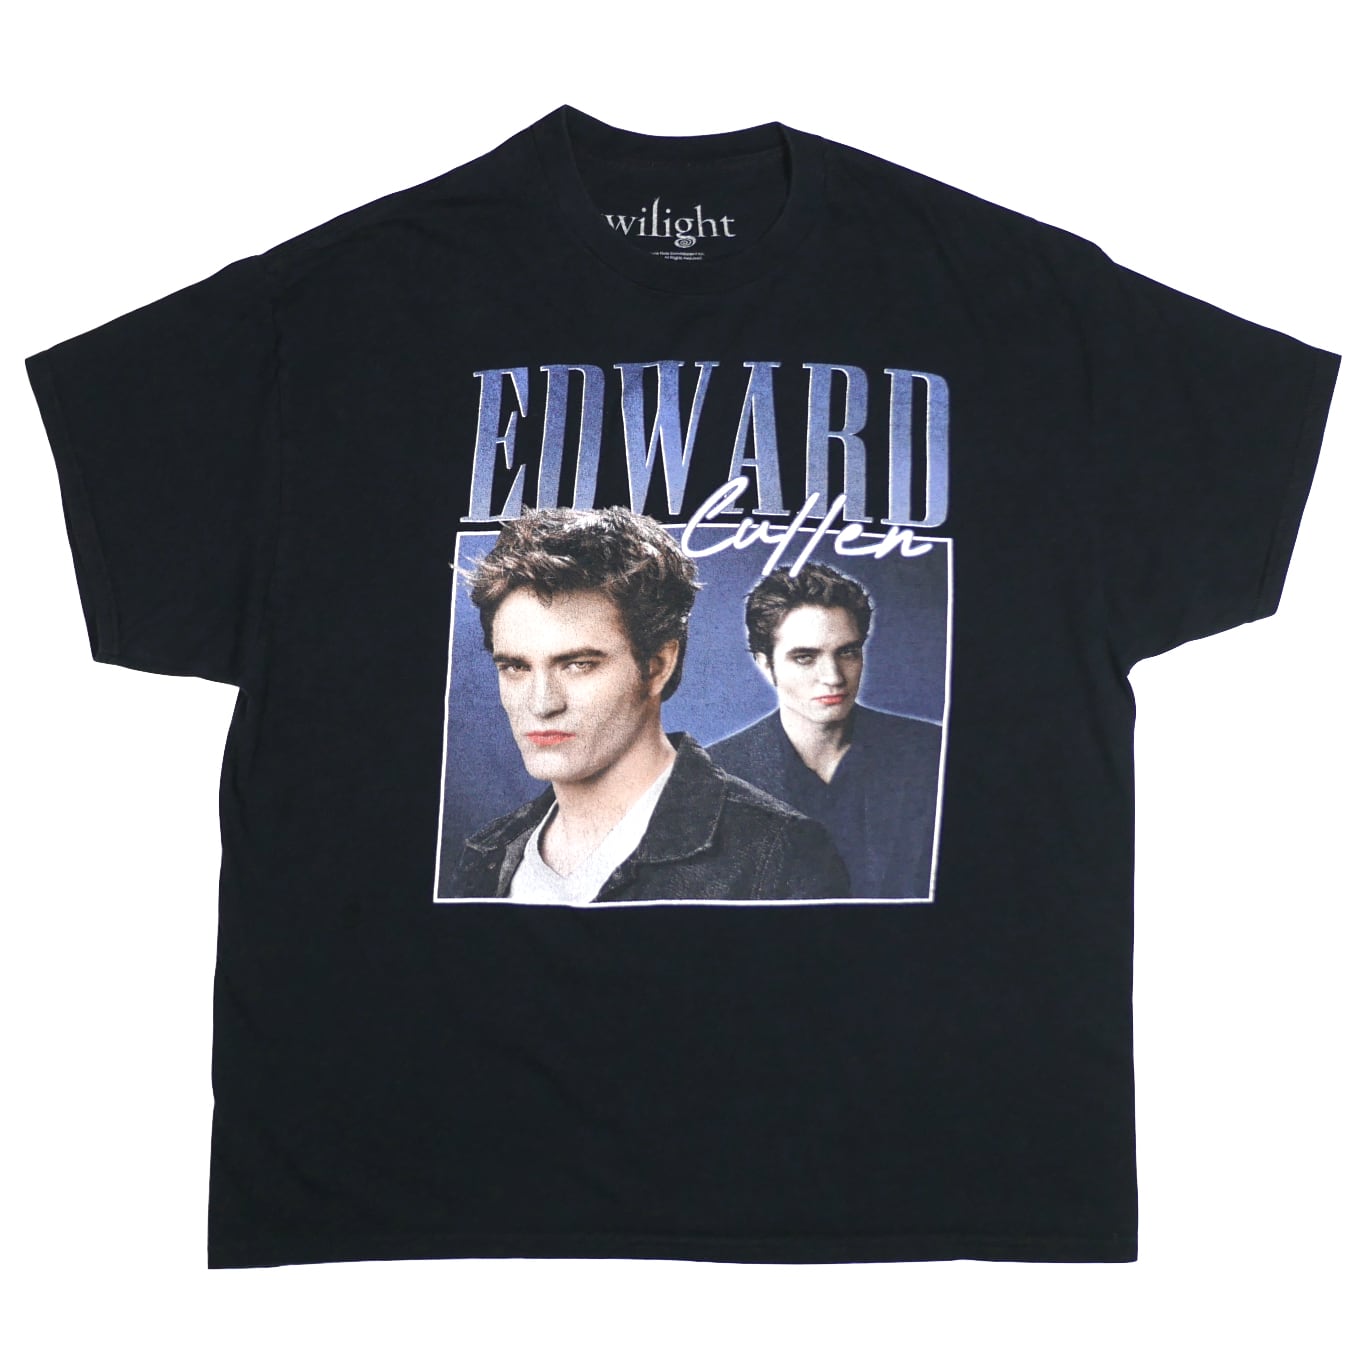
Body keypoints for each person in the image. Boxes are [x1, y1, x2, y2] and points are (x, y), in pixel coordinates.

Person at [449, 506, 849, 903]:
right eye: (515, 667)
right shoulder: (489, 853)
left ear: (657, 666)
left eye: (579, 664)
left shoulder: (779, 854)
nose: (541, 704)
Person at [708, 562, 943, 900]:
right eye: (805, 657)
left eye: (847, 652)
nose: (833, 677)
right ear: (766, 664)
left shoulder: (932, 752)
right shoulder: (714, 775)